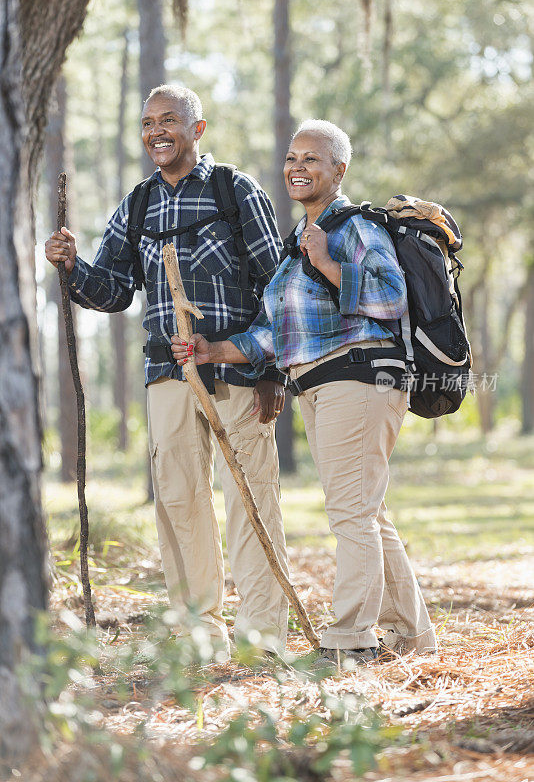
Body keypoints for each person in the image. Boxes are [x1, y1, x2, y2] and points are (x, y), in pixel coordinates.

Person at [171, 119, 437, 666]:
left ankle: (351, 639)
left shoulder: (353, 228)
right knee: (367, 511)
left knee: (350, 514)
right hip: (319, 386)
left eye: (312, 159)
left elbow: (391, 297)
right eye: (292, 158)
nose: (298, 167)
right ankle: (412, 636)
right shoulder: (298, 243)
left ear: (339, 170)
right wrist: (212, 350)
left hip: (358, 378)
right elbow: (274, 334)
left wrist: (328, 264)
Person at [45, 84, 289, 660]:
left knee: (251, 498)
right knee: (178, 501)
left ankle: (263, 636)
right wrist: (72, 264)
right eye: (148, 122)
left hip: (235, 370)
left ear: (197, 129)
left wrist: (270, 369)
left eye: (170, 121)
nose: (157, 132)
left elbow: (279, 287)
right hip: (167, 374)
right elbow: (111, 291)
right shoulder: (136, 206)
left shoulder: (235, 190)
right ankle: (198, 633)